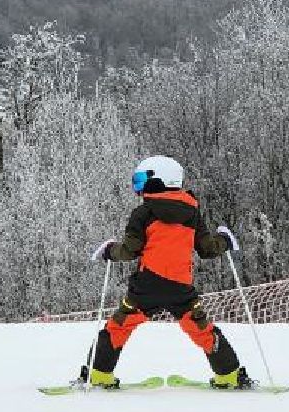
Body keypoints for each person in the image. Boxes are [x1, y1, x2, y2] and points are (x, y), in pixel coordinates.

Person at [79, 155, 253, 389]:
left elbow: (131, 250)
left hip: (146, 287)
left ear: (159, 180)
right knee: (202, 329)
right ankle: (230, 375)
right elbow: (207, 249)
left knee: (118, 326)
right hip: (181, 288)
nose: (138, 188)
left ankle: (98, 375)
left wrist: (110, 250)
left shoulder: (143, 213)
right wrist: (225, 240)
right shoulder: (192, 214)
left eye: (141, 180)